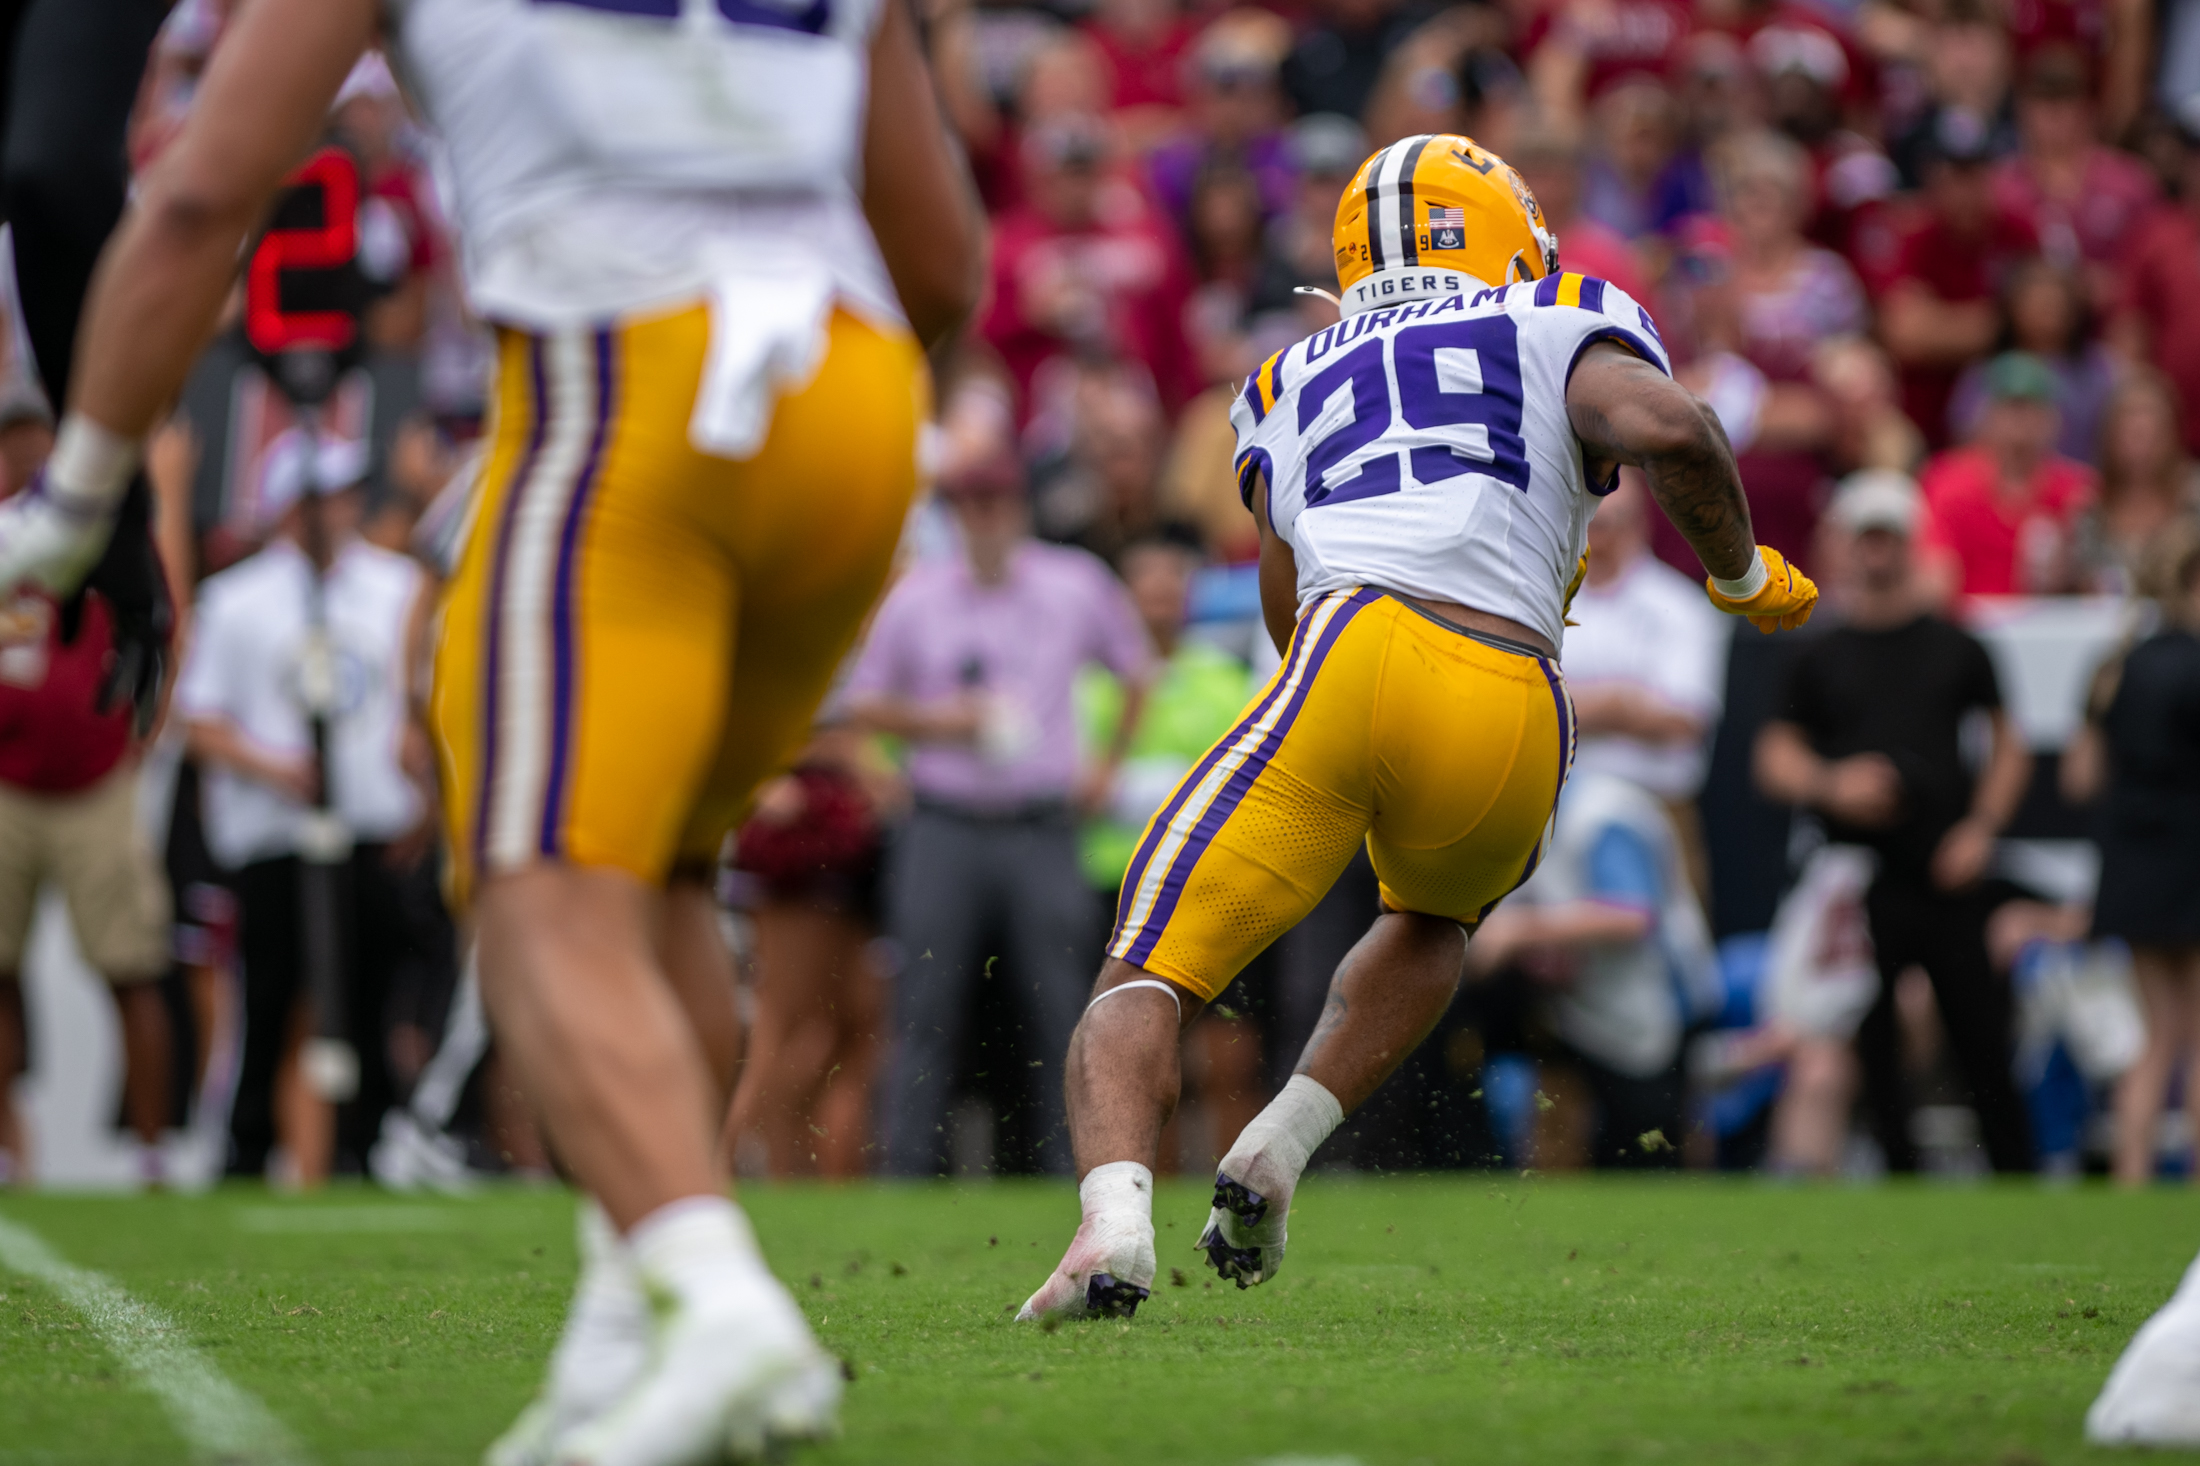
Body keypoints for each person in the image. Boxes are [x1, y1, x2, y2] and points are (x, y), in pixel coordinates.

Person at [0, 3, 982, 1465]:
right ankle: (616, 1328)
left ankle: (721, 1307)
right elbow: (946, 263)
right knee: (654, 877)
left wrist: (76, 506)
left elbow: (203, 191)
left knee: (536, 901)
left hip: (632, 392)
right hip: (848, 403)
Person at [1018, 134, 1818, 1320]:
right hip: (1519, 704)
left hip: (1353, 644)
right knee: (1435, 918)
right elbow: (1676, 430)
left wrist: (1330, 745)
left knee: (1146, 963)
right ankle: (1280, 1144)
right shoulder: (1554, 311)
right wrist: (1744, 575)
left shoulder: (1282, 379)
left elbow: (1287, 603)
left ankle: (1115, 1223)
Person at [844, 448, 1154, 1177]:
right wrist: (934, 729)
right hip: (945, 822)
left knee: (1058, 1004)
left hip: (1043, 825)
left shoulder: (1073, 583)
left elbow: (1136, 669)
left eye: (997, 504)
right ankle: (909, 1172)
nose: (985, 520)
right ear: (955, 516)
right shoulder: (917, 596)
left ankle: (1073, 1170)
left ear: (1019, 508)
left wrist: (1106, 764)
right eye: (970, 507)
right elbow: (864, 704)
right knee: (926, 1001)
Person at [1755, 471, 2036, 1174]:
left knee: (1980, 1031)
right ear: (1847, 546)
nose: (1877, 553)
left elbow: (2011, 743)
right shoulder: (1819, 652)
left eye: (1889, 537)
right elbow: (1774, 753)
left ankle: (2014, 1170)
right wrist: (1832, 784)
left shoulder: (1956, 645)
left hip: (1945, 865)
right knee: (1869, 1039)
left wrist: (1981, 828)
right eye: (1866, 538)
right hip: (1860, 874)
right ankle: (1896, 1174)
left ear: (1909, 544)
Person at [176, 432, 434, 1185]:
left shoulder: (398, 589)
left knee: (375, 994)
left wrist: (421, 800)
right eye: (321, 496)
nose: (339, 509)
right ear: (290, 507)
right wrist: (275, 766)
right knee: (270, 994)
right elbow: (198, 718)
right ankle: (246, 1147)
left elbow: (421, 701)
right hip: (275, 837)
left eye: (348, 491)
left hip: (375, 832)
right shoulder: (236, 597)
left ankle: (370, 1145)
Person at [0, 421, 174, 1187]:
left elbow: (165, 628)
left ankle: (152, 1152)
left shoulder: (114, 531)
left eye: (43, 439)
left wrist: (138, 741)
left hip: (97, 779)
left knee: (132, 965)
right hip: (6, 780)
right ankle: (10, 1149)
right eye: (17, 441)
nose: (32, 455)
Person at [1076, 529, 1265, 1166]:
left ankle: (1234, 1189)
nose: (1157, 590)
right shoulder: (1086, 681)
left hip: (1204, 882)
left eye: (1171, 577)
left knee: (1228, 1055)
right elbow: (1074, 777)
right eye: (1143, 578)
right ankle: (1144, 1190)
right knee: (1138, 1054)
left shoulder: (1222, 677)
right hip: (1114, 880)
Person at [1465, 768, 1718, 1170]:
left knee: (1652, 1155)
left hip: (1654, 1010)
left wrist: (1520, 932)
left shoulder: (1602, 815)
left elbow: (1633, 916)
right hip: (1584, 1005)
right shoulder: (1530, 819)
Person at [2065, 524, 2200, 1186]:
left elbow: (2079, 779)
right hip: (2190, 861)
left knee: (2157, 1037)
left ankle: (2131, 1178)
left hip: (2135, 867)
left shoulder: (2117, 667)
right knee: (2197, 1039)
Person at [1561, 472, 1727, 809]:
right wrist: (1620, 704)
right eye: (1590, 521)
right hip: (1548, 801)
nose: (1597, 537)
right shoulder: (1548, 598)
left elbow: (1683, 721)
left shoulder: (1683, 606)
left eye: (1608, 523)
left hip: (1651, 802)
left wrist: (1564, 708)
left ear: (1639, 523)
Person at [1918, 351, 2097, 599]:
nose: (2021, 423)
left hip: (2051, 626)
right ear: (1986, 417)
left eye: (2033, 410)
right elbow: (1937, 576)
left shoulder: (2079, 491)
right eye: (2011, 409)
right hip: (1971, 625)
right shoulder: (1948, 483)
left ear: (2055, 421)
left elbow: (2097, 585)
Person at [2072, 372, 2200, 595]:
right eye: (2133, 435)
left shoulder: (2194, 499)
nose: (2142, 450)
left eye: (2152, 435)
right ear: (2109, 438)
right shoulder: (2088, 510)